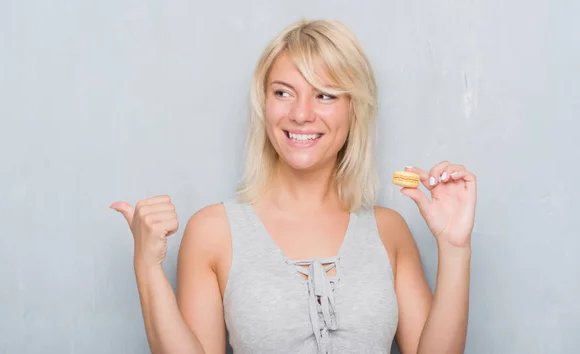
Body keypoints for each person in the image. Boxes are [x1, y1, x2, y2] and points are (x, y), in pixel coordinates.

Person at [111, 19, 477, 354]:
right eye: (283, 93)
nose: (301, 114)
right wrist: (147, 267)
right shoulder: (213, 231)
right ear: (264, 104)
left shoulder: (389, 230)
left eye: (325, 95)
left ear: (355, 110)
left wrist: (455, 247)